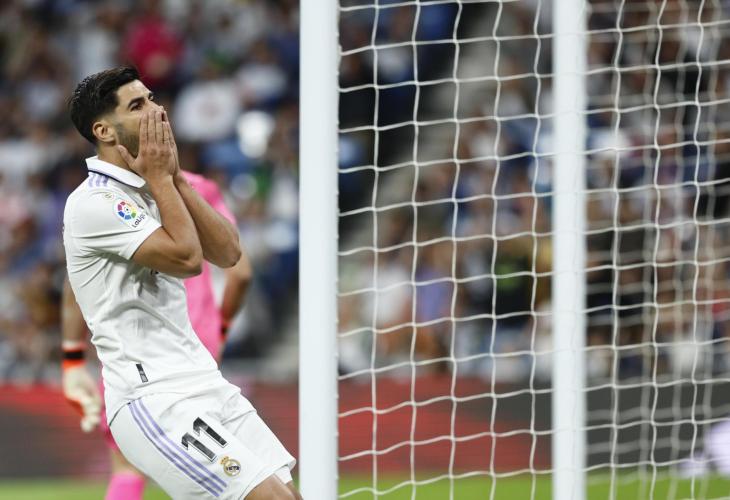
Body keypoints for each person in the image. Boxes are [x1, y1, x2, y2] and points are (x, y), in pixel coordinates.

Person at [61, 66, 300, 500]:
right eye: (138, 105)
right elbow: (188, 260)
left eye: (153, 98)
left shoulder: (157, 187)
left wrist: (172, 179)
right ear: (104, 131)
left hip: (204, 378)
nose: (157, 111)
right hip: (153, 396)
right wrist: (161, 179)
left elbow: (228, 254)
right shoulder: (95, 201)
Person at [62, 168, 253, 500]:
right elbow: (240, 274)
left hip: (139, 346)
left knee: (127, 469)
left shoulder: (104, 196)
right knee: (219, 469)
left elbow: (77, 279)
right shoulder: (200, 187)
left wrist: (72, 357)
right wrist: (219, 331)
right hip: (198, 342)